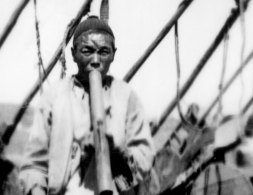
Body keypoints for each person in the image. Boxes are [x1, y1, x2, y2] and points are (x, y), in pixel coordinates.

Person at [19, 17, 155, 195]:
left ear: (114, 54)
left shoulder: (126, 95)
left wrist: (117, 151)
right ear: (74, 54)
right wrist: (37, 189)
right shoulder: (54, 97)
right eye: (87, 51)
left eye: (104, 52)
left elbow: (145, 154)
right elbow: (34, 164)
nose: (96, 60)